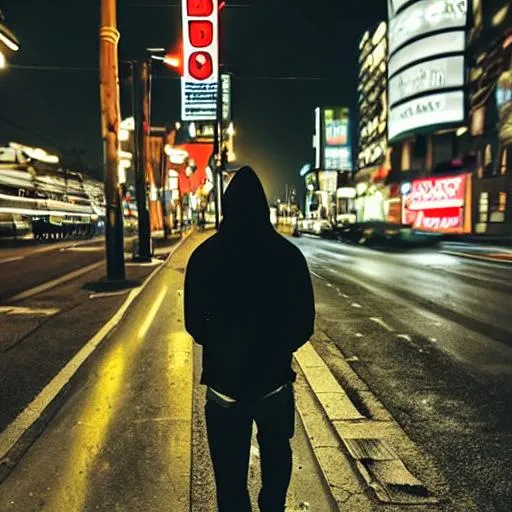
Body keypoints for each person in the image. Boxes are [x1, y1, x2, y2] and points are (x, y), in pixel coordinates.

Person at [184, 166, 315, 512]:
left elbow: (194, 324)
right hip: (273, 381)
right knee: (276, 456)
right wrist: (275, 348)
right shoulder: (288, 256)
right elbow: (304, 323)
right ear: (264, 207)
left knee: (228, 480)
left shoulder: (204, 256)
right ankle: (271, 505)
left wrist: (224, 345)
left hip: (224, 384)